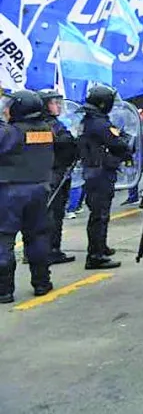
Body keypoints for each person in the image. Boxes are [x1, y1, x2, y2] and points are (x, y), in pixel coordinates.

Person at [0, 90, 56, 303]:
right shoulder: (47, 130)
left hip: (10, 191)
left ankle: (4, 290)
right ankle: (42, 282)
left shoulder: (11, 132)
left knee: (4, 239)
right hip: (39, 188)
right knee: (38, 237)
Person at [79, 85, 133, 270]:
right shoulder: (100, 123)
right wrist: (125, 143)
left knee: (100, 213)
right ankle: (95, 256)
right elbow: (118, 143)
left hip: (95, 171)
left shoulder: (91, 120)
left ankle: (100, 246)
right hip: (100, 173)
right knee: (99, 215)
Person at [38, 89, 78, 265]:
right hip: (55, 174)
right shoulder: (51, 126)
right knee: (53, 214)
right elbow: (66, 143)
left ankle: (43, 249)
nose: (58, 105)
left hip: (47, 174)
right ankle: (52, 250)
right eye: (54, 102)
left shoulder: (46, 123)